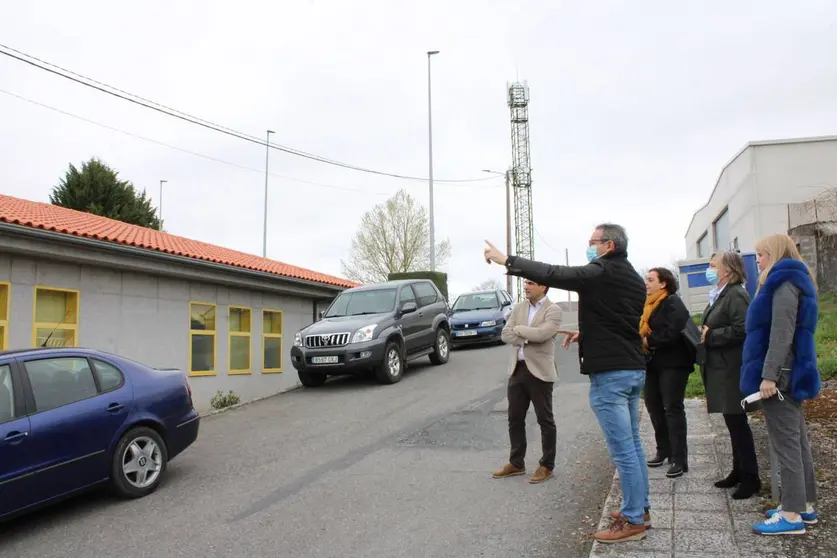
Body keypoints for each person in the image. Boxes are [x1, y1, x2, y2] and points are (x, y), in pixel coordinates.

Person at [484, 223, 650, 544]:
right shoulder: (630, 276)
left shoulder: (601, 270)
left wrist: (508, 261)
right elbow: (619, 321)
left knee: (623, 450)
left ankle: (633, 520)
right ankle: (639, 509)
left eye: (592, 242)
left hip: (611, 374)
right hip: (631, 367)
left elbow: (555, 273)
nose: (589, 247)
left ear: (609, 246)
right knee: (633, 445)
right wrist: (585, 333)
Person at [742, 235, 821, 536]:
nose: (758, 260)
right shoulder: (794, 280)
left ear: (774, 253)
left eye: (761, 254)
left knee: (786, 446)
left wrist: (770, 376)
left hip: (781, 376)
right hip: (790, 373)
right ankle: (803, 506)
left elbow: (781, 334)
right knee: (797, 443)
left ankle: (790, 515)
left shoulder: (783, 283)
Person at [700, 251, 761, 499]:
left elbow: (743, 329)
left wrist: (711, 336)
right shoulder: (720, 294)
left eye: (714, 265)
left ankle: (750, 478)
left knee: (738, 423)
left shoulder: (736, 294)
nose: (710, 268)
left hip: (732, 368)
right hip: (722, 368)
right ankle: (738, 470)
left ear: (727, 270)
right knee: (732, 423)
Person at [492, 278, 562, 484]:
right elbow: (505, 334)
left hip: (540, 372)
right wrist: (525, 334)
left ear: (543, 286)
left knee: (545, 420)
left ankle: (547, 465)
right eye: (525, 283)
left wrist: (519, 330)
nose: (526, 286)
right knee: (514, 418)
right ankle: (516, 463)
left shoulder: (553, 310)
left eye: (531, 283)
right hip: (517, 370)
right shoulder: (519, 308)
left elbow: (543, 334)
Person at [641, 267, 694, 479]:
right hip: (652, 363)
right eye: (646, 279)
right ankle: (663, 449)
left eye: (651, 279)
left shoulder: (672, 302)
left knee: (672, 408)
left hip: (674, 363)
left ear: (663, 283)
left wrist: (649, 341)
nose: (647, 283)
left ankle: (679, 458)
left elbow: (673, 330)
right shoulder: (648, 306)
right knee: (653, 406)